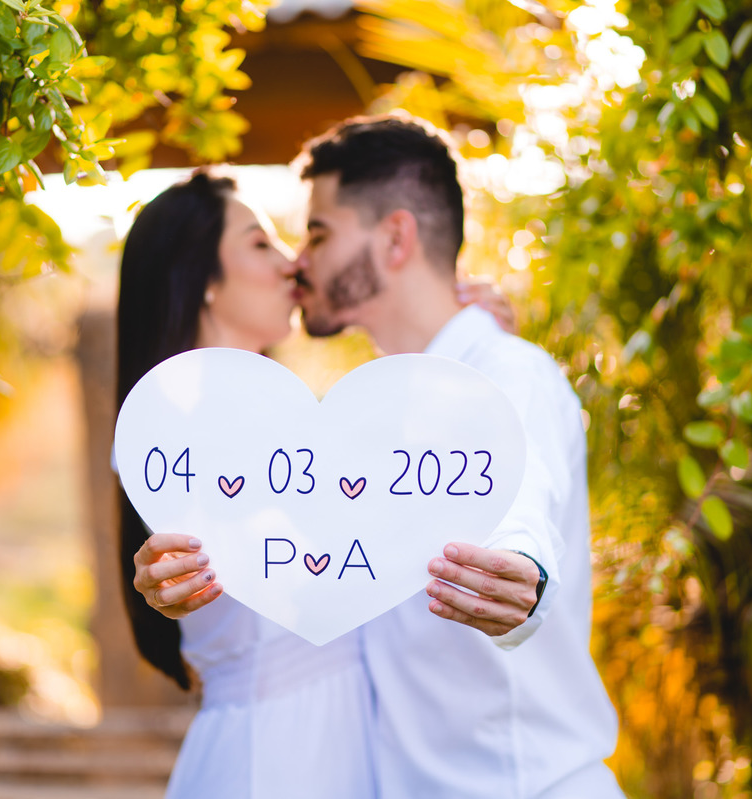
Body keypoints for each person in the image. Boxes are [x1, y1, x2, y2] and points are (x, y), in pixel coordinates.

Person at [116, 167, 516, 798]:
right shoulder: (173, 438)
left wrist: (462, 347)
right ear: (201, 281)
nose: (291, 263)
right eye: (260, 243)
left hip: (351, 743)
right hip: (271, 758)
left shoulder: (293, 428)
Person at [290, 115, 624, 798]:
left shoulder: (508, 374)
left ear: (395, 238)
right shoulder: (367, 413)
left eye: (319, 233)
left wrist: (522, 575)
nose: (301, 259)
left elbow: (523, 494)